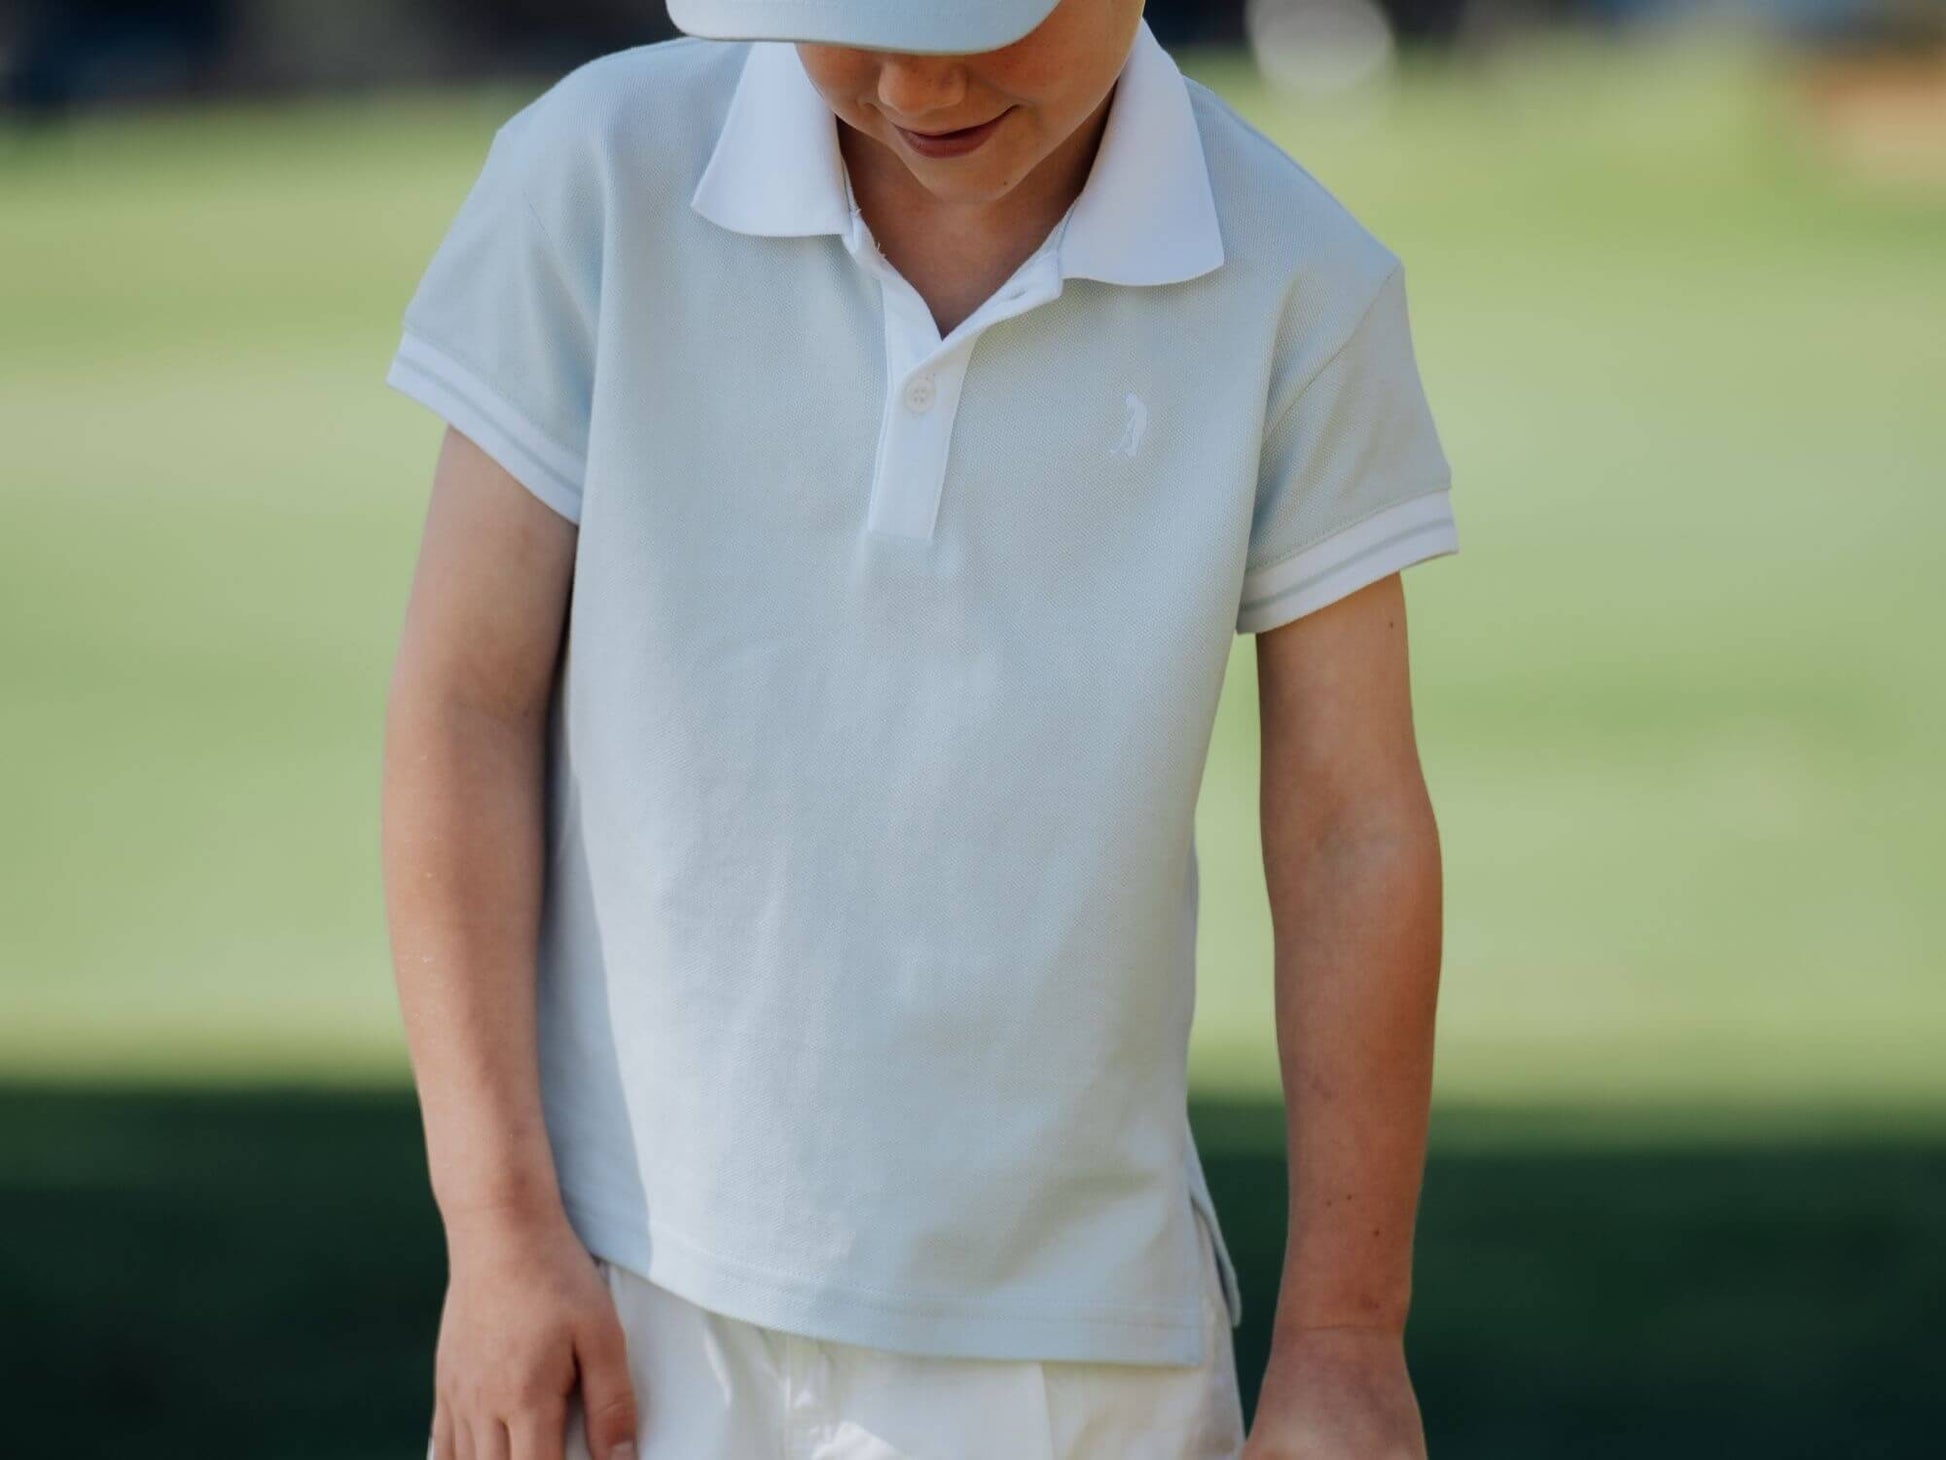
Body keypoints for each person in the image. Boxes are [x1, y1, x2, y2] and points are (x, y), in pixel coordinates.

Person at [381, 1, 1456, 1456]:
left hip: (1075, 1349)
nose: (916, 85)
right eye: (850, 15)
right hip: (618, 1291)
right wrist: (498, 1226)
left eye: (975, 17)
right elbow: (467, 703)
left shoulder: (1298, 282)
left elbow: (1350, 827)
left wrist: (1345, 1335)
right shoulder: (600, 172)